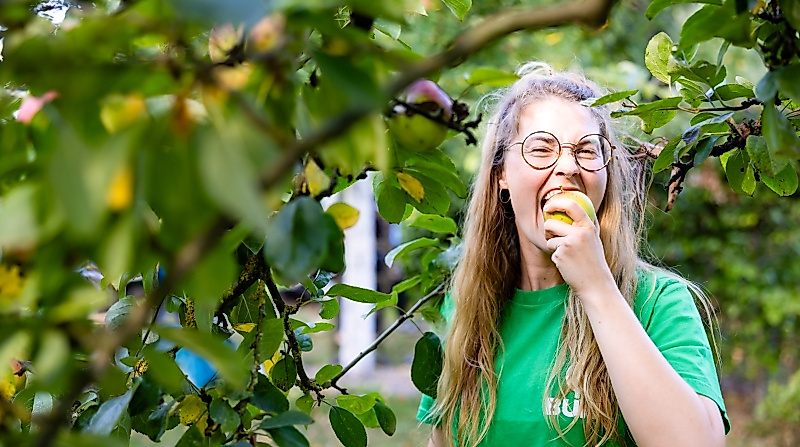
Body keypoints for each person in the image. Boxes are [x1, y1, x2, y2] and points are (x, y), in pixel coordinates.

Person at [416, 63, 730, 446]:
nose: (567, 166)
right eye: (541, 149)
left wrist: (596, 286)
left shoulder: (657, 303)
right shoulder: (466, 307)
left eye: (585, 149)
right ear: (502, 174)